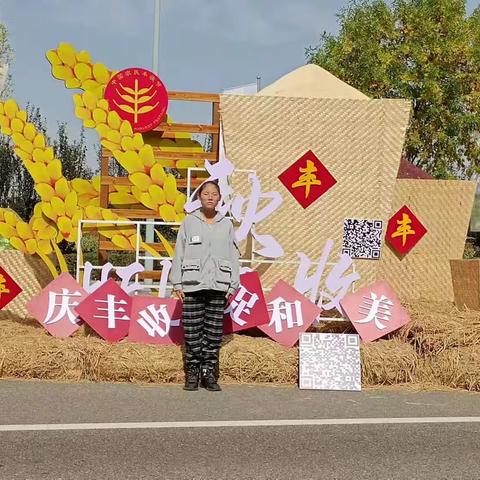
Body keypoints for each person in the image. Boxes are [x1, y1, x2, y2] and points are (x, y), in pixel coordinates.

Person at [170, 180, 240, 392]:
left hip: (218, 284)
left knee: (212, 332)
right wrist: (177, 282)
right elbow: (179, 252)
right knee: (192, 331)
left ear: (219, 198)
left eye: (214, 194)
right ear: (199, 197)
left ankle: (209, 373)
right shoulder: (189, 222)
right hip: (192, 284)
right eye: (206, 193)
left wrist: (232, 285)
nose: (210, 196)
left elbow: (233, 254)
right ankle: (192, 372)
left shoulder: (226, 224)